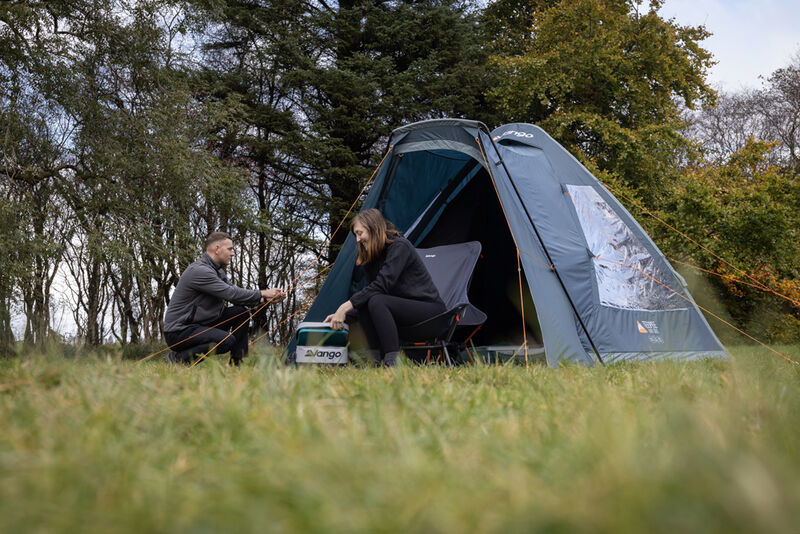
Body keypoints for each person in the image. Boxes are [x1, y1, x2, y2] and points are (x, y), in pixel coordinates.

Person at [325, 209, 445, 366]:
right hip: (401, 314)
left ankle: (391, 361)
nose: (358, 239)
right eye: (356, 235)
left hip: (430, 314)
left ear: (373, 228)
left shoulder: (400, 246)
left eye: (360, 233)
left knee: (376, 300)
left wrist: (345, 307)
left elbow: (381, 285)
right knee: (366, 301)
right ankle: (373, 361)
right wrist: (341, 315)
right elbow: (368, 294)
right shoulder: (372, 257)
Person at [163, 231, 285, 365]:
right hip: (179, 331)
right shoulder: (200, 271)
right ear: (217, 249)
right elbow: (231, 293)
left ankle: (236, 363)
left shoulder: (217, 271)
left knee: (241, 312)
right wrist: (264, 293)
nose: (232, 253)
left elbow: (236, 298)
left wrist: (266, 299)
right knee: (226, 341)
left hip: (202, 325)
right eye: (230, 249)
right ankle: (178, 358)